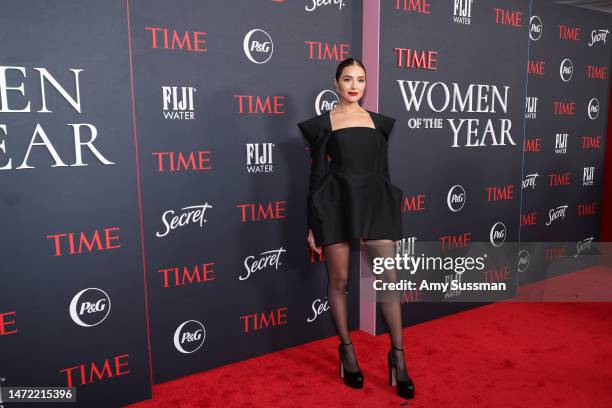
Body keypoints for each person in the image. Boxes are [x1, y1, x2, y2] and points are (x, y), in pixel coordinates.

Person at [297, 58, 415, 400]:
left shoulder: (379, 123)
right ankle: (347, 353)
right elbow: (317, 176)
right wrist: (312, 225)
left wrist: (391, 212)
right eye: (347, 78)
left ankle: (399, 360)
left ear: (366, 85)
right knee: (340, 281)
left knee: (389, 281)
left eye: (360, 80)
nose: (354, 85)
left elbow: (385, 172)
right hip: (335, 205)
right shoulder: (324, 124)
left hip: (376, 202)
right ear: (336, 82)